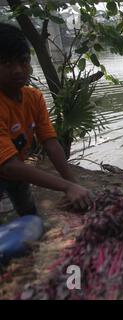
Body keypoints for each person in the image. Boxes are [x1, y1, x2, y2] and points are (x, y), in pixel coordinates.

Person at [0, 23, 93, 217]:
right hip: (8, 170)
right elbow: (8, 166)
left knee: (29, 215)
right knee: (7, 223)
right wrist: (66, 186)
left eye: (23, 61)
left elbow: (50, 142)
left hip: (17, 174)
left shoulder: (33, 97)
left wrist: (72, 185)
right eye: (7, 63)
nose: (17, 70)